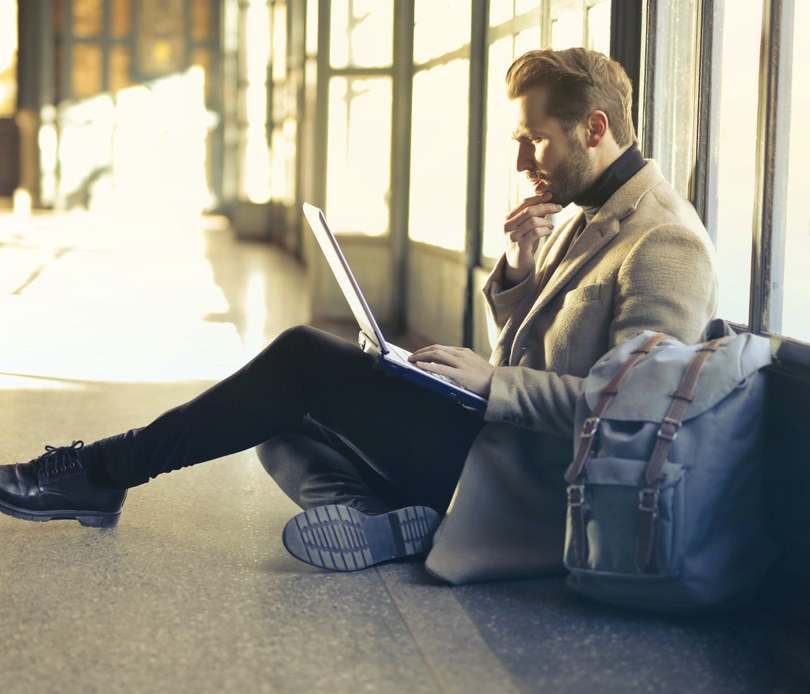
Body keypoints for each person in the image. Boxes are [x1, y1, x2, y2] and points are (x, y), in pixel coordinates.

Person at [0, 47, 717, 580]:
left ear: (595, 127)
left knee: (304, 359)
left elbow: (634, 416)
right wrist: (523, 276)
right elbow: (550, 351)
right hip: (494, 442)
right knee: (274, 421)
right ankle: (387, 518)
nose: (526, 158)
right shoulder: (581, 211)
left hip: (530, 484)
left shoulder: (666, 241)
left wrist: (489, 384)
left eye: (536, 139)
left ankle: (102, 471)